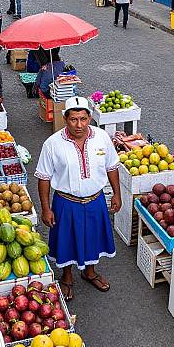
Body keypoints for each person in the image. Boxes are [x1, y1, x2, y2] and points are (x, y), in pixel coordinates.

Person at [35, 97, 121, 301]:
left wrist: (117, 194)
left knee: (94, 237)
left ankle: (89, 272)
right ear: (65, 118)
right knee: (66, 240)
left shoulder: (101, 137)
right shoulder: (52, 144)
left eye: (83, 119)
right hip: (66, 202)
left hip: (95, 199)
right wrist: (46, 208)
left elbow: (112, 166)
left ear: (90, 117)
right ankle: (66, 277)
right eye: (74, 119)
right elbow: (44, 178)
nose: (79, 125)